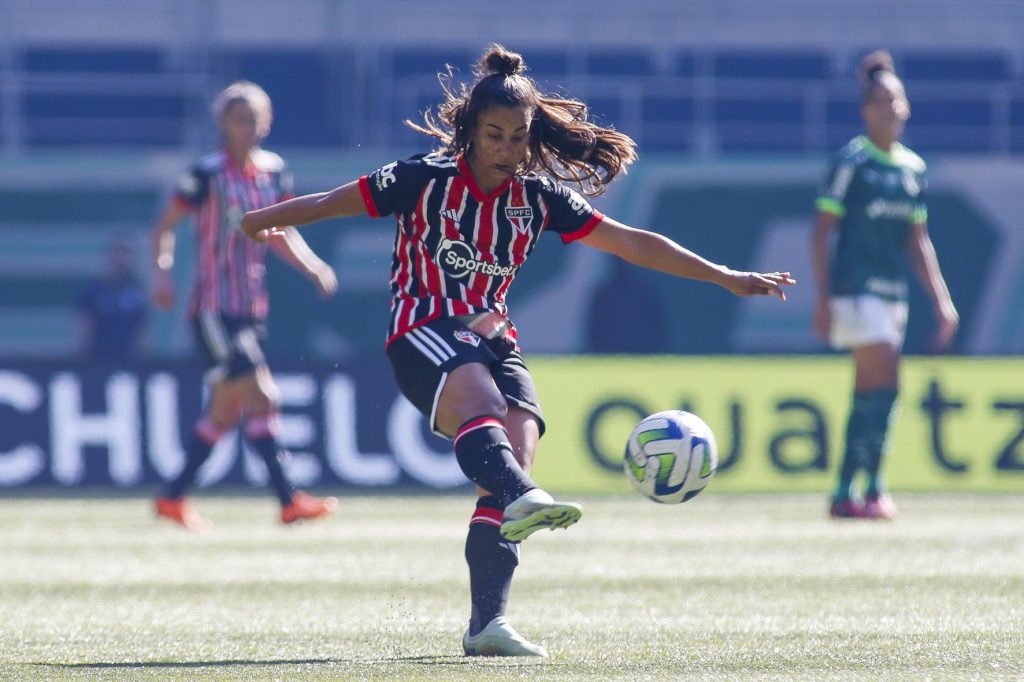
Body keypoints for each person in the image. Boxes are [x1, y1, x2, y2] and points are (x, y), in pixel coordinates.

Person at [241, 46, 795, 657]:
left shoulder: (539, 198)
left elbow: (633, 243)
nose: (506, 149)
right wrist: (259, 219)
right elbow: (328, 203)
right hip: (421, 328)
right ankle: (520, 498)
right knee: (489, 420)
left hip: (491, 337)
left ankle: (487, 623)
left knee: (517, 447)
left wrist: (725, 275)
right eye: (494, 135)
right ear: (470, 133)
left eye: (518, 137)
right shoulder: (423, 178)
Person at [151, 80, 340, 530]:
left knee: (225, 411)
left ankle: (172, 497)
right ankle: (288, 499)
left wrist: (313, 267)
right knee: (264, 395)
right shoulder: (206, 174)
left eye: (255, 118)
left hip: (251, 306)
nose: (248, 127)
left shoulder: (274, 172)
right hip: (213, 308)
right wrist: (161, 270)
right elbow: (165, 227)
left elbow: (281, 232)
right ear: (223, 124)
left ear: (267, 122)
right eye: (239, 119)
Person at [812, 51, 958, 521]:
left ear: (907, 107)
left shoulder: (912, 168)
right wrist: (823, 298)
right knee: (888, 381)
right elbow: (821, 231)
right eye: (878, 101)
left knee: (870, 389)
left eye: (895, 100)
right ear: (865, 110)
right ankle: (874, 487)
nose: (888, 108)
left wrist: (941, 301)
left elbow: (918, 241)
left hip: (893, 293)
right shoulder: (852, 162)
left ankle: (843, 491)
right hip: (856, 288)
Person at [78, 239, 148, 361]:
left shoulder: (136, 293)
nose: (121, 260)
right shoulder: (94, 291)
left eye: (125, 255)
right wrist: (82, 357)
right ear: (109, 258)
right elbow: (85, 326)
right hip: (98, 358)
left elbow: (141, 331)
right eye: (118, 254)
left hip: (127, 361)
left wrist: (142, 360)